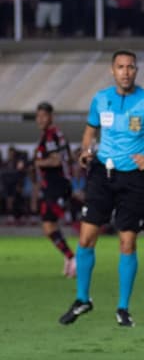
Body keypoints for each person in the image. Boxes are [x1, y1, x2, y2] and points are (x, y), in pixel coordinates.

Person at [59, 50, 144, 328]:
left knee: (127, 242)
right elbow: (90, 131)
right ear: (112, 71)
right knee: (86, 238)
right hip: (102, 174)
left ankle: (123, 308)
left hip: (133, 178)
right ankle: (82, 299)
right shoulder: (100, 99)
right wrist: (86, 151)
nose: (126, 72)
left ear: (136, 71)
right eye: (121, 67)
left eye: (130, 67)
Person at [32, 102, 76, 277]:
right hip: (55, 185)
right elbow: (68, 157)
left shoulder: (50, 136)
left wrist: (37, 162)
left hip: (56, 186)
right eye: (38, 116)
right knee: (51, 225)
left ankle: (72, 257)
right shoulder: (56, 134)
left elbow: (56, 160)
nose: (40, 119)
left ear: (51, 116)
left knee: (49, 226)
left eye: (43, 116)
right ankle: (69, 257)